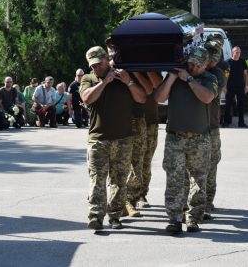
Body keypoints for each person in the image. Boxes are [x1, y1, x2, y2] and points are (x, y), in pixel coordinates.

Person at [81, 46, 146, 231]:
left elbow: (142, 98)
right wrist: (104, 83)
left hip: (124, 138)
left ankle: (115, 215)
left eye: (99, 64)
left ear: (106, 60)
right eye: (92, 65)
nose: (96, 68)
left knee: (119, 180)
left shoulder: (123, 77)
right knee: (97, 180)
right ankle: (95, 216)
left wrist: (129, 82)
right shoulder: (89, 79)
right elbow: (87, 98)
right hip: (98, 140)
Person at [154, 47, 218, 234]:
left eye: (197, 65)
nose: (193, 66)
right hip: (175, 137)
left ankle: (194, 218)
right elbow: (159, 97)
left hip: (199, 139)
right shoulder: (176, 77)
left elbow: (206, 98)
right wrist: (173, 77)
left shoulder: (209, 79)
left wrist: (189, 80)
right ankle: (174, 218)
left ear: (206, 64)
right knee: (175, 179)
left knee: (198, 180)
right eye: (191, 63)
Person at [203, 41, 227, 219]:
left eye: (213, 59)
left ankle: (207, 201)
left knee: (211, 164)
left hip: (211, 126)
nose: (210, 62)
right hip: (196, 125)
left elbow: (212, 94)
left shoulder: (218, 74)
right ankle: (194, 201)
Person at [134, 72, 162, 209]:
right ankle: (127, 196)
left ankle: (141, 194)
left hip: (150, 121)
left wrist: (142, 69)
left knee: (146, 162)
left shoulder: (152, 67)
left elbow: (157, 84)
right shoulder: (123, 65)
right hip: (130, 120)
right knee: (129, 162)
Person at [223, 46, 248, 128]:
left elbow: (245, 75)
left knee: (241, 104)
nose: (238, 54)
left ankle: (241, 123)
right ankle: (226, 122)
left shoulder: (242, 62)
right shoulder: (228, 62)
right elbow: (225, 76)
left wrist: (246, 85)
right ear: (232, 52)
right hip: (230, 87)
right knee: (228, 104)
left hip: (240, 86)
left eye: (239, 52)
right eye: (236, 52)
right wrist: (224, 86)